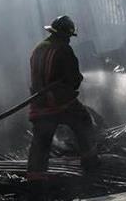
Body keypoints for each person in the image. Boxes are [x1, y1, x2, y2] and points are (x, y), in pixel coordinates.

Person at [27, 15, 99, 181]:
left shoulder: (38, 48)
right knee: (84, 123)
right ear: (64, 35)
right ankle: (90, 164)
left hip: (39, 103)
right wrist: (76, 81)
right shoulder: (64, 50)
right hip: (62, 103)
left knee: (41, 140)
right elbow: (73, 79)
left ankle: (35, 177)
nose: (69, 40)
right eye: (68, 36)